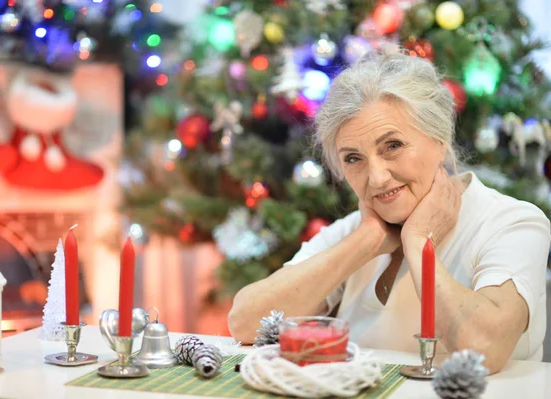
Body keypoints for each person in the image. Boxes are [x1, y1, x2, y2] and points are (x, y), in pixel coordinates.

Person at [227, 50, 551, 374]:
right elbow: (245, 322)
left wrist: (418, 242)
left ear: (439, 139)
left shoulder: (514, 223)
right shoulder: (358, 227)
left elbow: (484, 347)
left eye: (392, 146)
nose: (377, 178)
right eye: (354, 158)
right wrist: (366, 240)